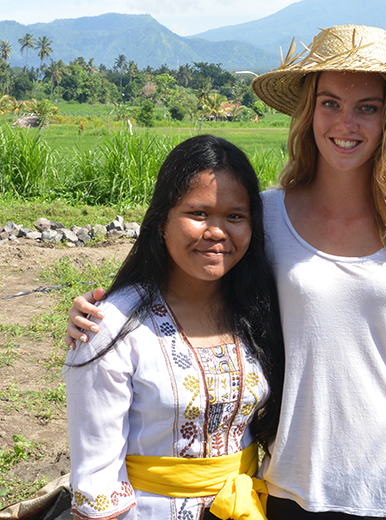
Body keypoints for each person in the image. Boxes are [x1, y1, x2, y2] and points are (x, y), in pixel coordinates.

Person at [65, 25, 386, 520]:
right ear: (308, 112)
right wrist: (104, 314)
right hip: (296, 488)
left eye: (368, 106)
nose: (347, 122)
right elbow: (190, 275)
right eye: (330, 103)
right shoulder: (266, 219)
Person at [63, 134, 284, 520]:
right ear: (162, 220)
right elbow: (96, 476)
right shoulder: (110, 328)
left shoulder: (259, 313)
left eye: (235, 216)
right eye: (198, 214)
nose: (217, 232)